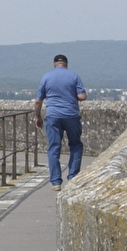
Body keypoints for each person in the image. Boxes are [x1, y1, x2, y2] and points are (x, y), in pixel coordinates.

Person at [34, 54, 86, 190]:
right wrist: (71, 94)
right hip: (71, 115)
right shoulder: (74, 76)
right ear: (66, 64)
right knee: (75, 145)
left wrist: (38, 117)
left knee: (53, 148)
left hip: (52, 116)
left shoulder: (46, 77)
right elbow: (82, 96)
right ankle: (73, 176)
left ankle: (56, 182)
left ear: (54, 64)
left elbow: (38, 101)